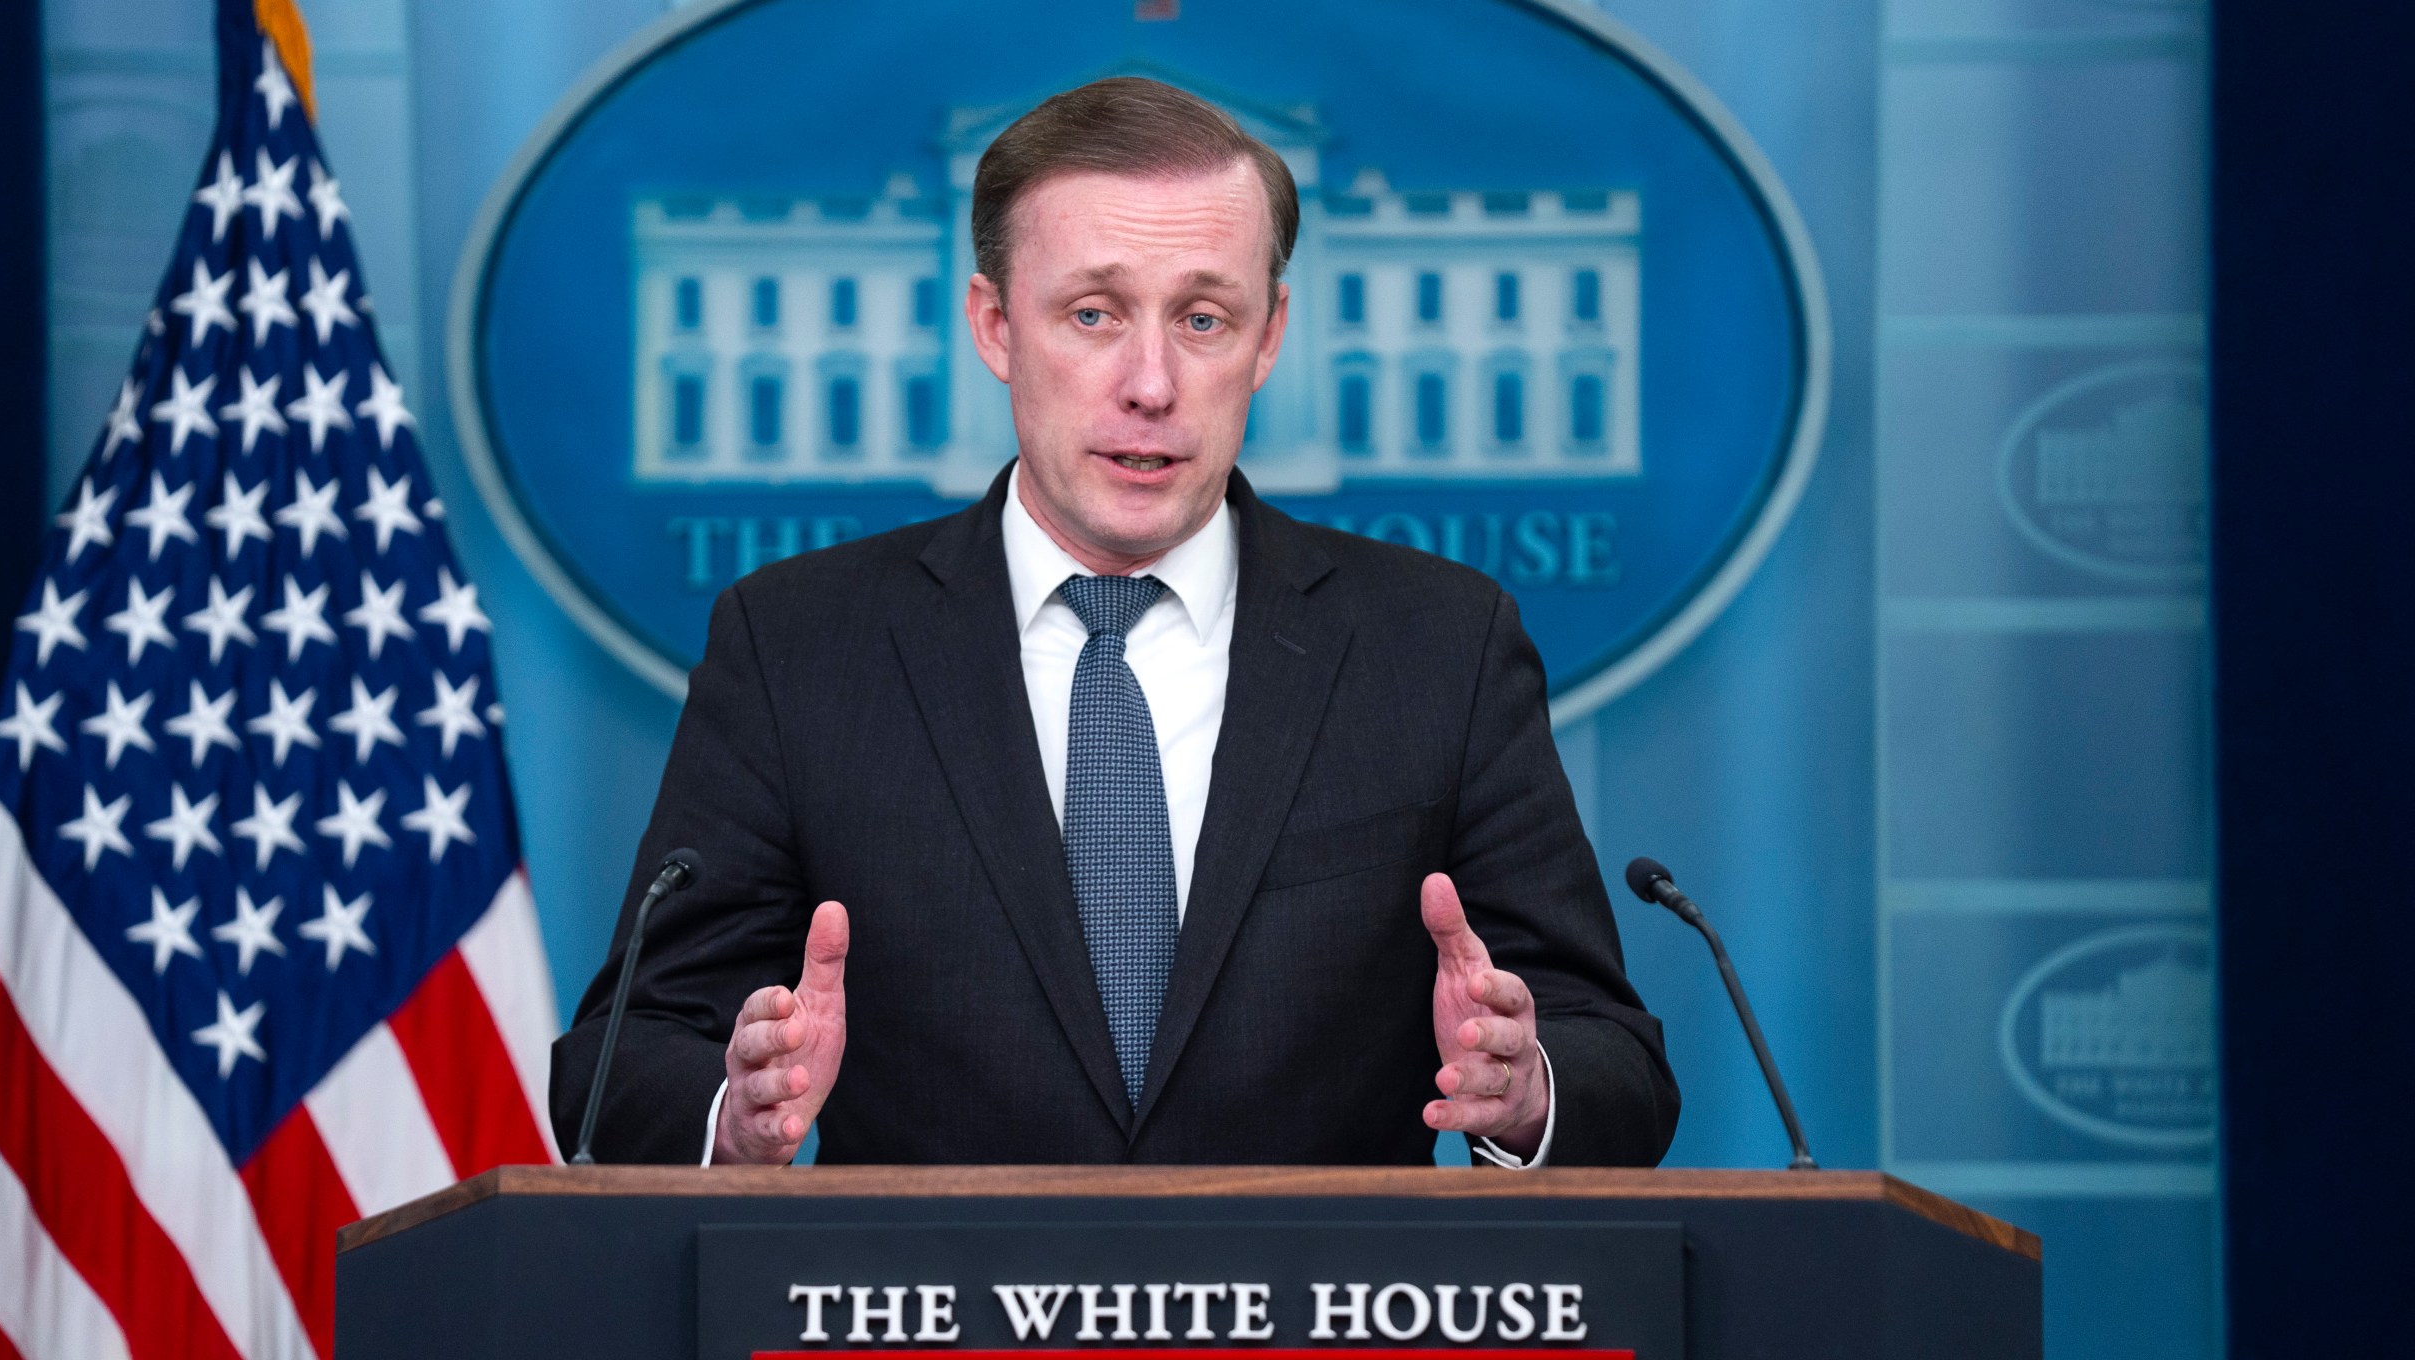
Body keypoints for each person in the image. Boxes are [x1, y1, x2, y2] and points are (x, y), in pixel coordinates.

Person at [550, 77, 1679, 1167]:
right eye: (1093, 314)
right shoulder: (800, 647)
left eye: (1201, 317)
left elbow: (1612, 1057)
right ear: (994, 326)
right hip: (921, 1344)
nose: (1151, 383)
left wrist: (1524, 1088)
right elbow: (623, 1056)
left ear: (1269, 335)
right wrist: (735, 1112)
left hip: (1323, 1346)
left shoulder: (1439, 646)